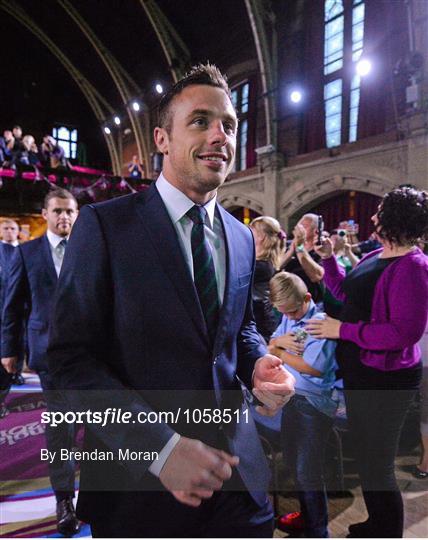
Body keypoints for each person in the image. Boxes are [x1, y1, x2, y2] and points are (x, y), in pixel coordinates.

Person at [47, 63, 295, 538]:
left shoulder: (242, 237)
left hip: (240, 479)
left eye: (229, 124)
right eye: (200, 121)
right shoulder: (105, 227)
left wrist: (258, 361)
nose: (219, 135)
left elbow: (236, 330)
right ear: (161, 139)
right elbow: (71, 359)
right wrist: (158, 449)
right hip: (139, 488)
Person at [305, 187, 428, 538]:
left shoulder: (413, 266)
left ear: (396, 220)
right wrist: (328, 259)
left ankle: (387, 531)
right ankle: (376, 523)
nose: (373, 218)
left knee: (378, 464)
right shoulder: (377, 255)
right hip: (362, 372)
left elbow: (404, 333)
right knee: (366, 456)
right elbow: (345, 294)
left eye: (380, 213)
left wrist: (342, 330)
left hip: (387, 378)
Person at [1, 188, 80, 537]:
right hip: (48, 356)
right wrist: (9, 349)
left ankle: (96, 495)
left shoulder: (88, 250)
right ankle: (64, 500)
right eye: (58, 211)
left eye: (70, 211)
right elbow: (13, 305)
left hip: (91, 355)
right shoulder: (27, 252)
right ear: (45, 214)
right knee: (61, 428)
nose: (64, 217)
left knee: (99, 426)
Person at [268, 272, 337, 538]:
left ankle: (318, 530)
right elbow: (269, 344)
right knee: (295, 464)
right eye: (284, 312)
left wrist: (280, 351)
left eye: (294, 311)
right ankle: (308, 519)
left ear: (307, 298)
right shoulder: (289, 314)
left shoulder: (318, 323)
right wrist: (278, 346)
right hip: (292, 399)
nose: (291, 317)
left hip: (312, 405)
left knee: (308, 473)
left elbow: (314, 368)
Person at [249, 216, 284, 343]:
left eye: (251, 229)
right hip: (258, 318)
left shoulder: (262, 266)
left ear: (261, 236)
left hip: (260, 322)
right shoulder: (260, 261)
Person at [280, 213, 325, 305]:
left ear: (316, 231)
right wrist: (292, 248)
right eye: (298, 226)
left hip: (311, 301)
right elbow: (277, 266)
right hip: (287, 299)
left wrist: (300, 247)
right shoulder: (289, 245)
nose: (299, 229)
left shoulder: (321, 249)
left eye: (304, 227)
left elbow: (316, 276)